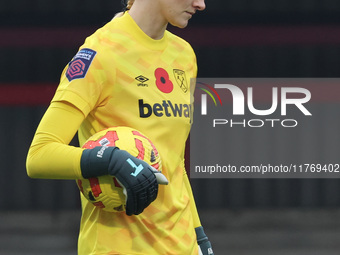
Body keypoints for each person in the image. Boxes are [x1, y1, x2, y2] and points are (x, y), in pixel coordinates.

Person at [26, 0, 214, 254]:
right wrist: (112, 160)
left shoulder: (184, 55)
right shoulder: (101, 52)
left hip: (183, 247)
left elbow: (175, 161)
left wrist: (200, 238)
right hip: (118, 247)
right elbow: (39, 156)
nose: (200, 4)